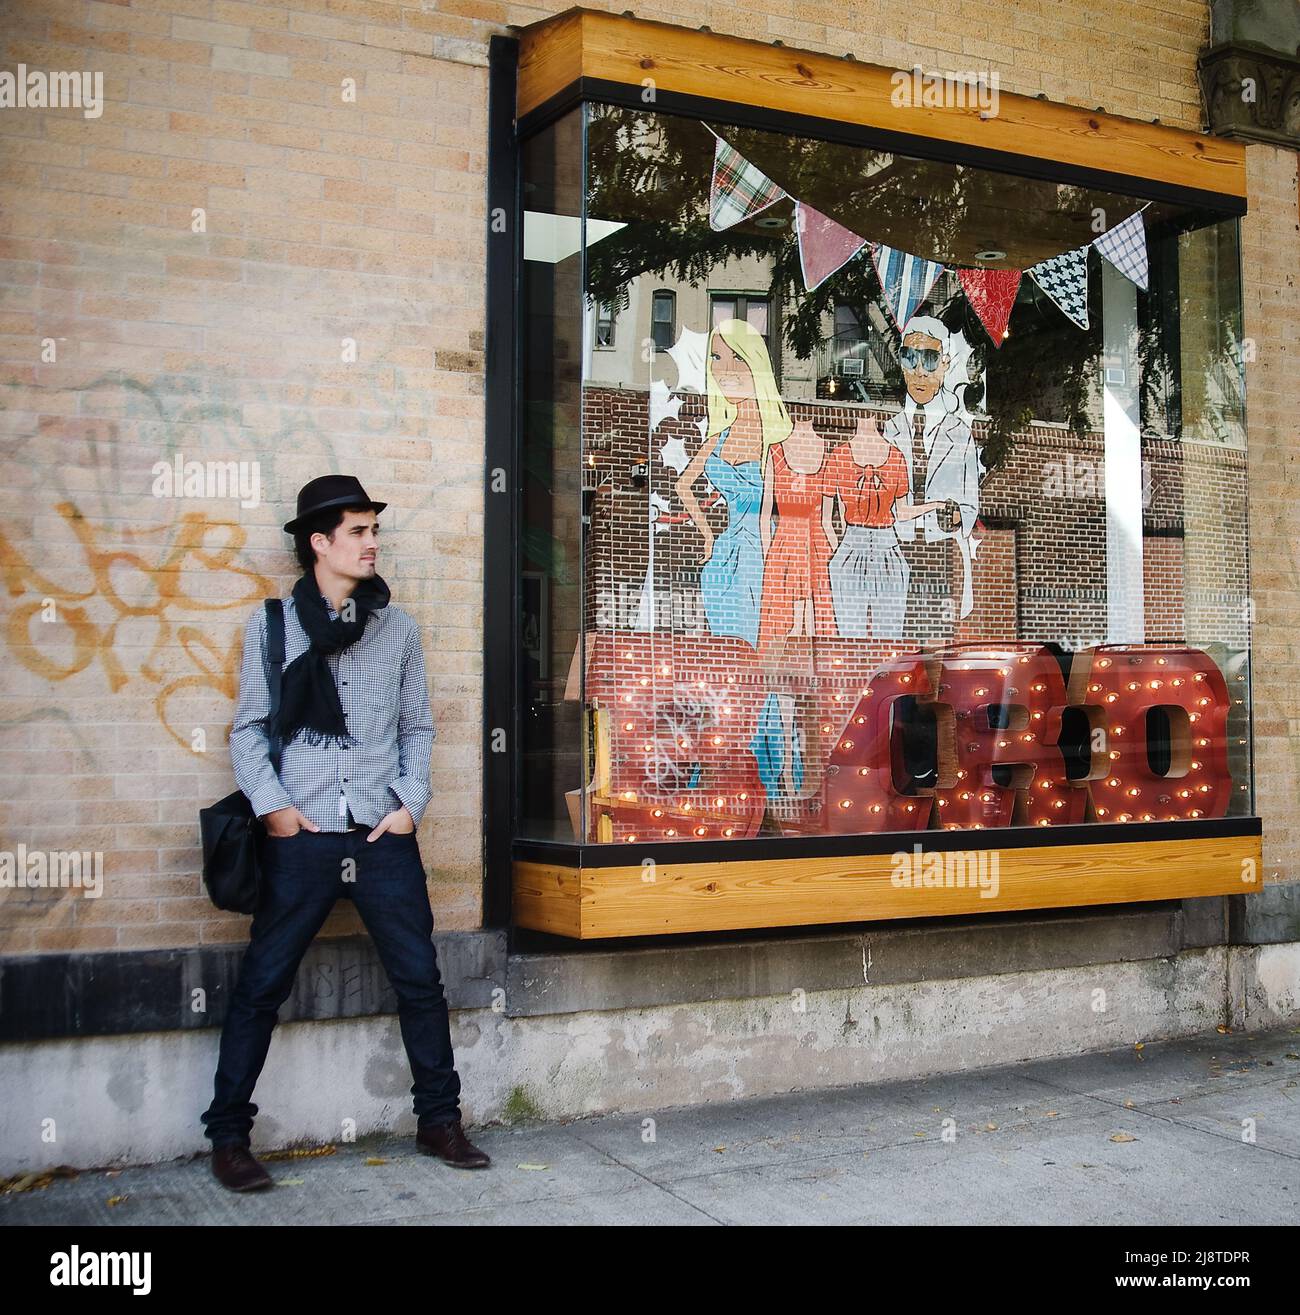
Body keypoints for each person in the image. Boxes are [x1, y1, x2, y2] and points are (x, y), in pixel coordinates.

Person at [200, 474, 490, 1191]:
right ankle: (230, 1136)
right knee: (262, 984)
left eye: (374, 530)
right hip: (301, 835)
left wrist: (409, 802)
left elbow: (418, 726)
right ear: (318, 543)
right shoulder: (272, 625)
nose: (373, 543)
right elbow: (248, 729)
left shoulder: (399, 629)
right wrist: (276, 811)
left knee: (419, 979)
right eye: (358, 531)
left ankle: (439, 1120)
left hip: (380, 833)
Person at [881, 317, 982, 637]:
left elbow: (970, 503)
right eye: (910, 357)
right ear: (901, 362)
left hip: (940, 550)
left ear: (944, 365)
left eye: (930, 359)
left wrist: (957, 515)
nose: (920, 370)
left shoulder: (960, 433)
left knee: (939, 637)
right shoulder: (890, 429)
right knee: (897, 631)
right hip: (898, 545)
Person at [821, 410, 948, 639]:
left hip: (887, 547)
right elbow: (826, 518)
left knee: (889, 634)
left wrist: (934, 505)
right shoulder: (838, 456)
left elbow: (902, 512)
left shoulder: (896, 457)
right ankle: (852, 674)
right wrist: (838, 551)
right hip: (851, 545)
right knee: (850, 633)